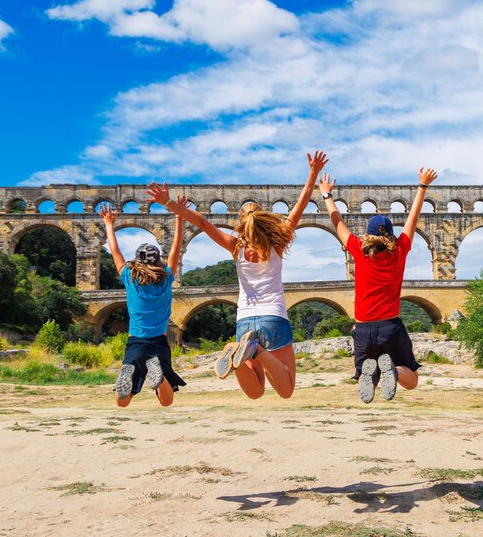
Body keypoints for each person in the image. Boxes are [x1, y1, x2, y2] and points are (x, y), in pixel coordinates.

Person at [146, 151, 328, 400]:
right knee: (285, 390)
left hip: (245, 320)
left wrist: (169, 203)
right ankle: (256, 350)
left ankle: (239, 353)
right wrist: (313, 174)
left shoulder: (236, 247)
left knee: (255, 392)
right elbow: (301, 203)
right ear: (263, 220)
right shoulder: (278, 242)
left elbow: (202, 223)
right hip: (273, 317)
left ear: (241, 223)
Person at [318, 166, 438, 403]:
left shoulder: (357, 250)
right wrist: (422, 186)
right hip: (390, 327)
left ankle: (374, 372)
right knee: (411, 379)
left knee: (366, 375)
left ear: (368, 235)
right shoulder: (400, 250)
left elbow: (338, 222)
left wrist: (326, 195)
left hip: (363, 329)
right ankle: (391, 369)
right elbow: (412, 219)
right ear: (391, 235)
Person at [100, 201, 188, 407]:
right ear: (158, 260)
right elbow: (176, 248)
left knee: (122, 402)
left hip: (136, 343)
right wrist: (179, 216)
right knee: (166, 400)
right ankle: (160, 377)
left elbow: (114, 250)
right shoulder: (166, 277)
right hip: (159, 343)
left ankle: (127, 378)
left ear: (137, 262)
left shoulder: (129, 277)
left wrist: (109, 224)